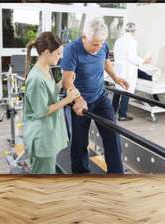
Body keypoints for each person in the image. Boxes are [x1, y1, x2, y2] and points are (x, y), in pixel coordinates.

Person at [61, 18, 129, 174]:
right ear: (84, 37)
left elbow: (106, 63)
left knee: (113, 135)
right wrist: (78, 98)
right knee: (79, 143)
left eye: (100, 44)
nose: (98, 48)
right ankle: (82, 176)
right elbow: (67, 80)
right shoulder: (72, 50)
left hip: (100, 97)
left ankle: (116, 174)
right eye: (94, 44)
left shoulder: (103, 44)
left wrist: (116, 78)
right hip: (78, 101)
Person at [23, 32, 80, 174]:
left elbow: (48, 93)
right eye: (58, 53)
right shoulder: (36, 78)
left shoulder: (45, 69)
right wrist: (67, 99)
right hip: (42, 137)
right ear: (47, 52)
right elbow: (41, 111)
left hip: (49, 133)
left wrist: (61, 84)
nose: (60, 57)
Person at [112, 22, 152, 121]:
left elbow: (116, 55)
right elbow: (132, 57)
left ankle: (112, 112)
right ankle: (122, 115)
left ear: (125, 29)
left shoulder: (118, 40)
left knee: (118, 91)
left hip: (119, 69)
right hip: (127, 70)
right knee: (127, 91)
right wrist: (144, 61)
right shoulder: (132, 41)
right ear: (134, 30)